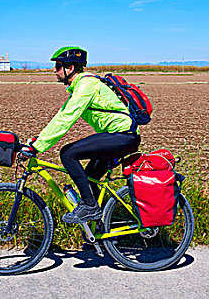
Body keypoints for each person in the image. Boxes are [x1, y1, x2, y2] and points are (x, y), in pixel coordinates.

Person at [20, 46, 141, 224]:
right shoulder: (80, 86)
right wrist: (38, 140)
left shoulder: (86, 85)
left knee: (68, 153)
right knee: (90, 180)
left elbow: (67, 118)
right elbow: (61, 116)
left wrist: (38, 148)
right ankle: (101, 229)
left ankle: (90, 208)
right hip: (119, 136)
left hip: (123, 136)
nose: (54, 70)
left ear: (70, 68)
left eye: (58, 66)